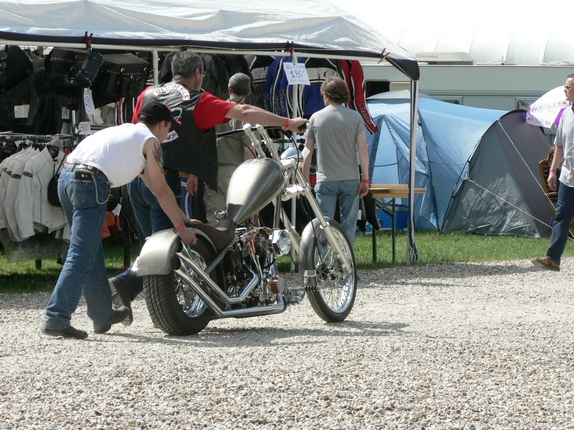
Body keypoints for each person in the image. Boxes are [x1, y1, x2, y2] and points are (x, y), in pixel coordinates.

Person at [109, 51, 308, 314]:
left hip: (137, 179)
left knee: (151, 246)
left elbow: (137, 134)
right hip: (165, 181)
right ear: (198, 73)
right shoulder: (199, 100)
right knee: (167, 250)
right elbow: (245, 111)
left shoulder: (148, 95)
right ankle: (128, 289)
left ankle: (125, 299)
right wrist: (288, 122)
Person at [42, 102, 197, 339]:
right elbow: (164, 191)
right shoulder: (150, 142)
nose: (166, 137)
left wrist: (182, 218)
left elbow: (156, 188)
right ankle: (56, 317)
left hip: (67, 178)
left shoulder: (127, 132)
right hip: (90, 181)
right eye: (168, 130)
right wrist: (181, 229)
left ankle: (102, 315)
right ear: (163, 124)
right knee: (82, 252)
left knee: (90, 251)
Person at [302, 76, 370, 247]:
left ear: (327, 95)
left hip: (325, 179)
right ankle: (347, 264)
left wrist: (304, 179)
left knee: (324, 225)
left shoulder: (315, 118)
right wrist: (366, 179)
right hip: (350, 178)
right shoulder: (355, 118)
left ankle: (323, 265)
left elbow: (307, 152)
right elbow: (363, 150)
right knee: (349, 225)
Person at [532, 74, 574, 271]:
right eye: (565, 87)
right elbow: (559, 146)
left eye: (568, 87)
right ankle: (553, 258)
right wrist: (553, 171)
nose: (565, 90)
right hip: (568, 176)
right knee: (562, 215)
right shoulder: (565, 114)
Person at [204, 72, 256, 222]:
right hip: (238, 173)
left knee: (216, 219)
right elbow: (249, 151)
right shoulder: (247, 115)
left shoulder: (215, 111)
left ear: (229, 89)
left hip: (214, 173)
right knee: (242, 221)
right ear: (249, 92)